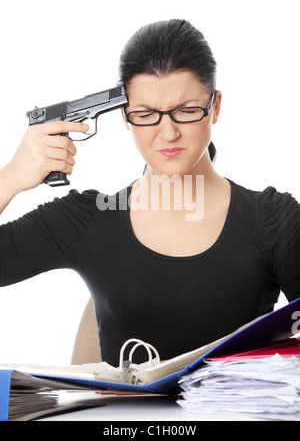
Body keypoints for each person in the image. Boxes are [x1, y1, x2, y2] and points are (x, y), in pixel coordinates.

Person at [0, 19, 299, 366]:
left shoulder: (273, 220)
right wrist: (8, 178)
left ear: (214, 107)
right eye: (146, 114)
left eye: (186, 111)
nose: (168, 133)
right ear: (125, 116)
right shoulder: (86, 218)